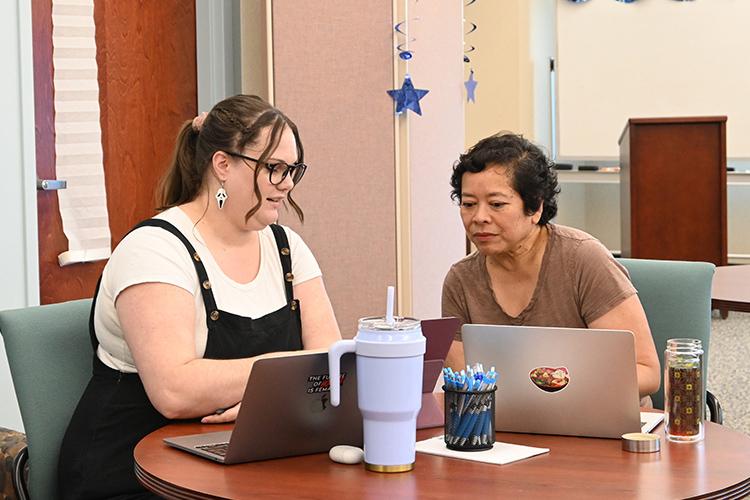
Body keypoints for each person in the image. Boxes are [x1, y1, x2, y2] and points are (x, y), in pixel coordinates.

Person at [58, 95, 341, 499]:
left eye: (293, 169)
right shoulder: (155, 249)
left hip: (243, 459)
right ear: (223, 165)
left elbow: (331, 365)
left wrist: (271, 402)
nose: (288, 184)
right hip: (132, 473)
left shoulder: (286, 247)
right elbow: (175, 391)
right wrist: (277, 377)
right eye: (274, 169)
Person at [441, 132, 660, 403]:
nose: (479, 218)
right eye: (468, 204)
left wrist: (555, 392)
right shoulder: (460, 280)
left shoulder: (583, 260)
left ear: (535, 207)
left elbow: (646, 372)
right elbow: (463, 383)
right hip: (507, 427)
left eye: (497, 204)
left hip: (597, 420)